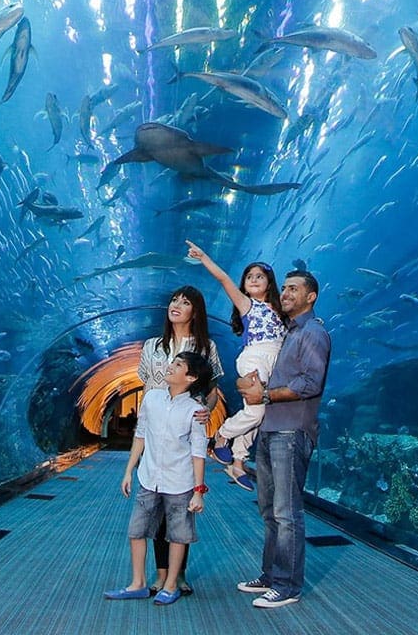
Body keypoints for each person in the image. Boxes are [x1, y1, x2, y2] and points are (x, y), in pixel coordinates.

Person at [236, 269, 331, 608]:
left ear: (311, 296)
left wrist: (265, 396)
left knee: (287, 511)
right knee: (268, 510)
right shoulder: (288, 333)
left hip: (291, 430)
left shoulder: (313, 333)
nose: (286, 293)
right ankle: (270, 576)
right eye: (285, 288)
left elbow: (310, 384)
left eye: (294, 288)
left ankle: (288, 586)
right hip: (271, 429)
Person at [104, 352, 213, 606]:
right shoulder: (151, 398)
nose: (170, 367)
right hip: (148, 477)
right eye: (172, 362)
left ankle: (171, 584)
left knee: (178, 534)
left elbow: (198, 452)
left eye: (177, 365)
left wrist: (199, 491)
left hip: (180, 482)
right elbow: (140, 435)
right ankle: (138, 583)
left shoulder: (195, 411)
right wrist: (129, 470)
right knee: (136, 531)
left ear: (191, 377)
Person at [137, 285, 224, 596]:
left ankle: (179, 573)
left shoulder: (206, 348)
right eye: (174, 299)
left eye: (185, 302)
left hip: (185, 432)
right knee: (154, 506)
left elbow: (211, 390)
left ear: (195, 312)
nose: (176, 305)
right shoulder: (151, 346)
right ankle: (161, 574)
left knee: (180, 505)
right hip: (155, 428)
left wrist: (207, 411)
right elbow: (147, 385)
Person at [186, 240, 285, 492]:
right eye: (249, 276)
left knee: (257, 415)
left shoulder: (280, 309)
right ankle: (222, 434)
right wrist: (204, 256)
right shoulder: (247, 304)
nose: (253, 279)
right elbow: (223, 279)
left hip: (276, 361)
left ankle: (238, 462)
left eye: (259, 276)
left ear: (269, 283)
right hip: (255, 358)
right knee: (256, 412)